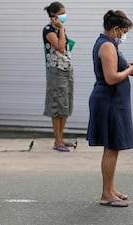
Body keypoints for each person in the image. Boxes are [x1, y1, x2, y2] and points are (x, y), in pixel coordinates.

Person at [86, 10, 133, 207]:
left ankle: (110, 188)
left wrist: (129, 66)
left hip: (113, 101)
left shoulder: (109, 44)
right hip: (109, 102)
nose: (124, 36)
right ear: (115, 29)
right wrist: (129, 71)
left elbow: (116, 69)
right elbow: (111, 78)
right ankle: (106, 194)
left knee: (114, 147)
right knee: (111, 147)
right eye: (124, 32)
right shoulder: (107, 46)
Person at [43, 2, 75, 152]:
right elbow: (60, 48)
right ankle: (57, 141)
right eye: (61, 13)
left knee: (66, 104)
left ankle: (61, 138)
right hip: (56, 72)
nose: (64, 15)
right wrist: (61, 29)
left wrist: (61, 29)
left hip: (66, 70)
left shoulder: (60, 29)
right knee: (57, 105)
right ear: (53, 16)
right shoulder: (49, 30)